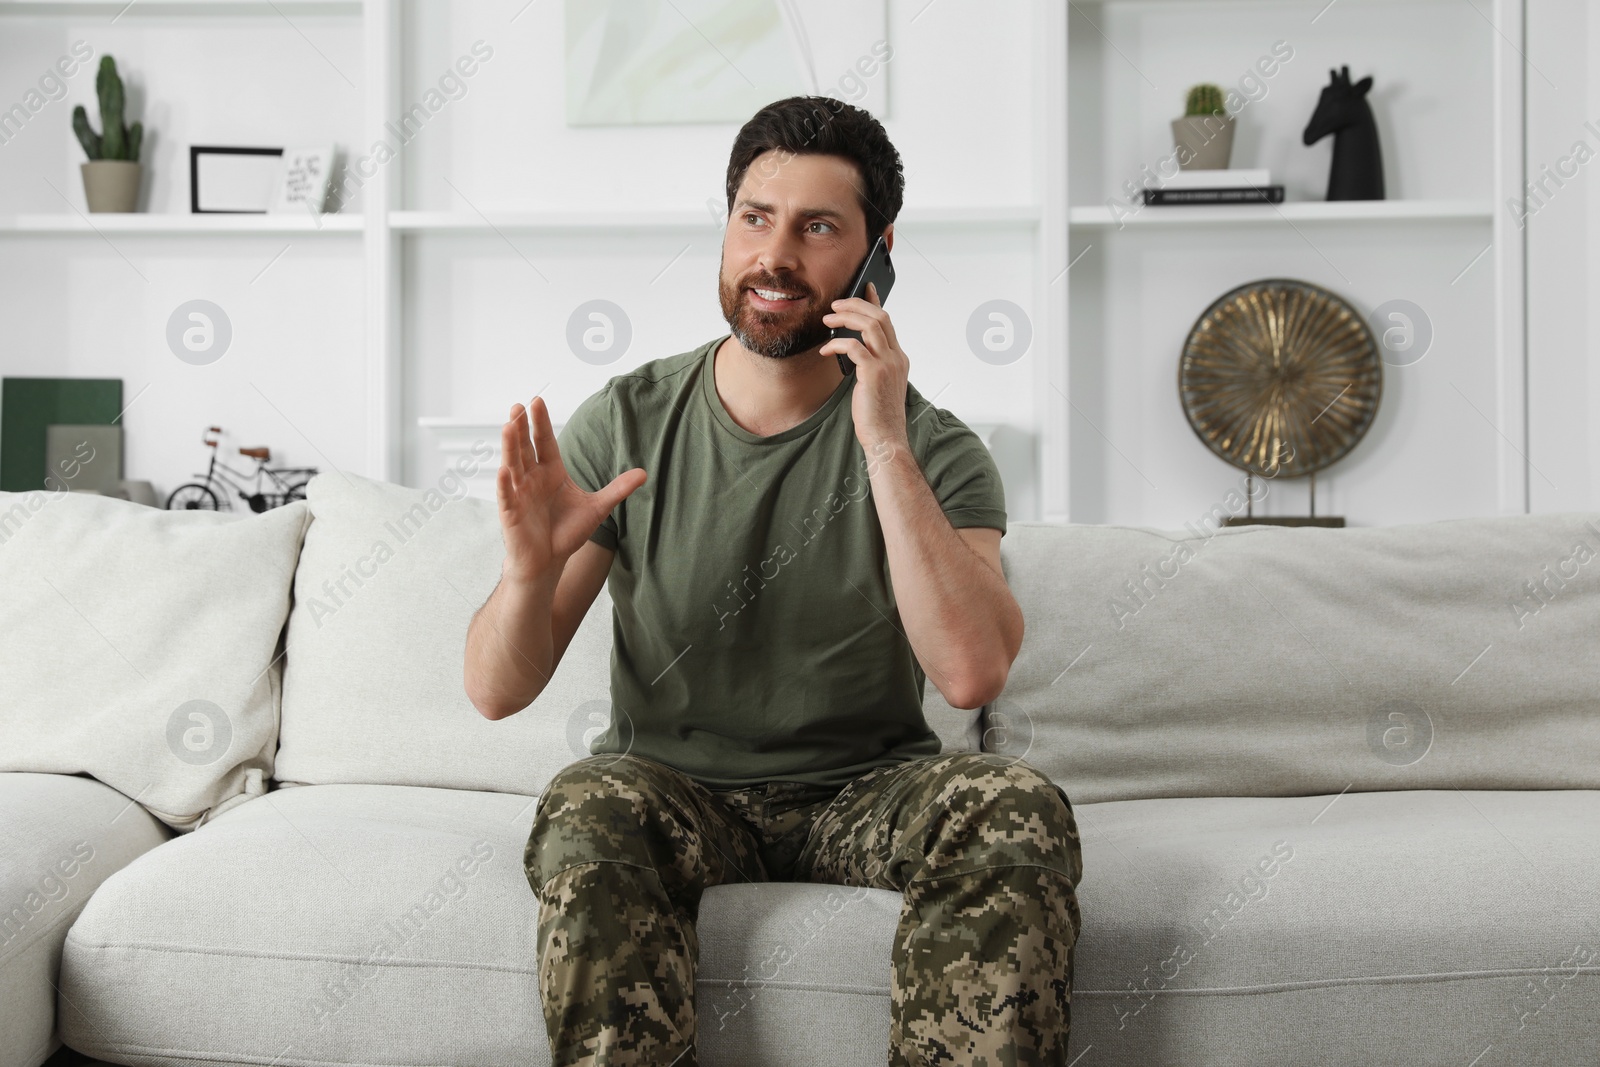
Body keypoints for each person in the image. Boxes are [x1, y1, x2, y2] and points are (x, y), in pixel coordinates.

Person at [464, 94, 1082, 1067]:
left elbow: (969, 674)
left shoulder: (934, 447)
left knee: (1014, 802)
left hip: (864, 792)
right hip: (676, 791)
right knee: (587, 798)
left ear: (877, 255)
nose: (775, 254)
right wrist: (525, 572)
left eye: (817, 227)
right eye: (755, 217)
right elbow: (496, 690)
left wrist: (879, 437)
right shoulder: (625, 421)